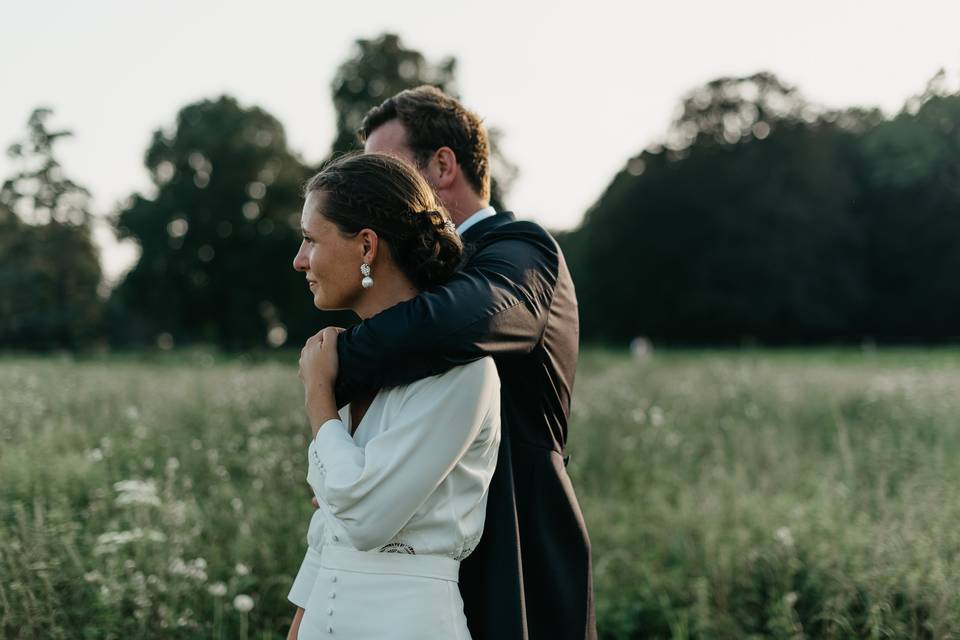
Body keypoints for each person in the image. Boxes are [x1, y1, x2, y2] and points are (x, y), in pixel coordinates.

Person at [330, 86, 597, 640]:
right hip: (420, 540)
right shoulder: (413, 282)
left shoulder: (522, 249)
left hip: (517, 528)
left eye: (386, 167)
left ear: (443, 165)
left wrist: (334, 362)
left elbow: (463, 322)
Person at [287, 152, 502, 639]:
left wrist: (318, 396)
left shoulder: (464, 373)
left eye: (310, 239)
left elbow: (364, 519)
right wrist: (299, 626)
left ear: (366, 245)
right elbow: (330, 532)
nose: (299, 260)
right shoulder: (356, 365)